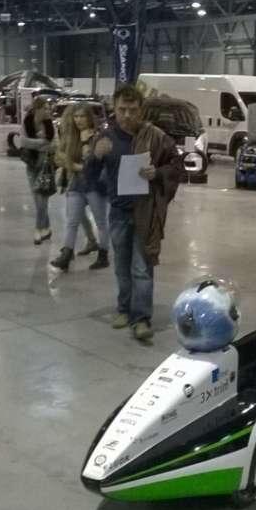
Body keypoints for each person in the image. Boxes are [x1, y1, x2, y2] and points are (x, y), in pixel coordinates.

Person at [94, 84, 181, 342]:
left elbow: (176, 165)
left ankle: (141, 318)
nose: (127, 115)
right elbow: (89, 176)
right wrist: (95, 157)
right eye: (122, 109)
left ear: (141, 110)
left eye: (133, 110)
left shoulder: (156, 137)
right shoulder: (106, 138)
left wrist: (158, 173)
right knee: (122, 267)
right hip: (118, 213)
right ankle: (124, 309)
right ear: (114, 108)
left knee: (142, 268)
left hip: (145, 214)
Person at [51, 104, 109, 272]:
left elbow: (90, 161)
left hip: (95, 185)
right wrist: (74, 165)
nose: (78, 120)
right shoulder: (72, 136)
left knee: (101, 222)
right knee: (72, 221)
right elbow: (59, 157)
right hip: (76, 183)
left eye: (82, 116)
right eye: (76, 116)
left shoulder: (98, 136)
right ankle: (66, 254)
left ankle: (103, 255)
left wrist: (83, 145)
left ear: (89, 118)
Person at [22, 97, 55, 245]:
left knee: (42, 200)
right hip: (31, 165)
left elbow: (54, 145)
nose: (48, 111)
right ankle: (46, 228)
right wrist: (42, 141)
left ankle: (38, 229)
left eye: (49, 108)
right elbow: (24, 142)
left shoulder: (49, 124)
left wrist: (36, 143)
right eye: (45, 108)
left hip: (46, 167)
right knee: (38, 201)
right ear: (37, 109)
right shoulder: (27, 122)